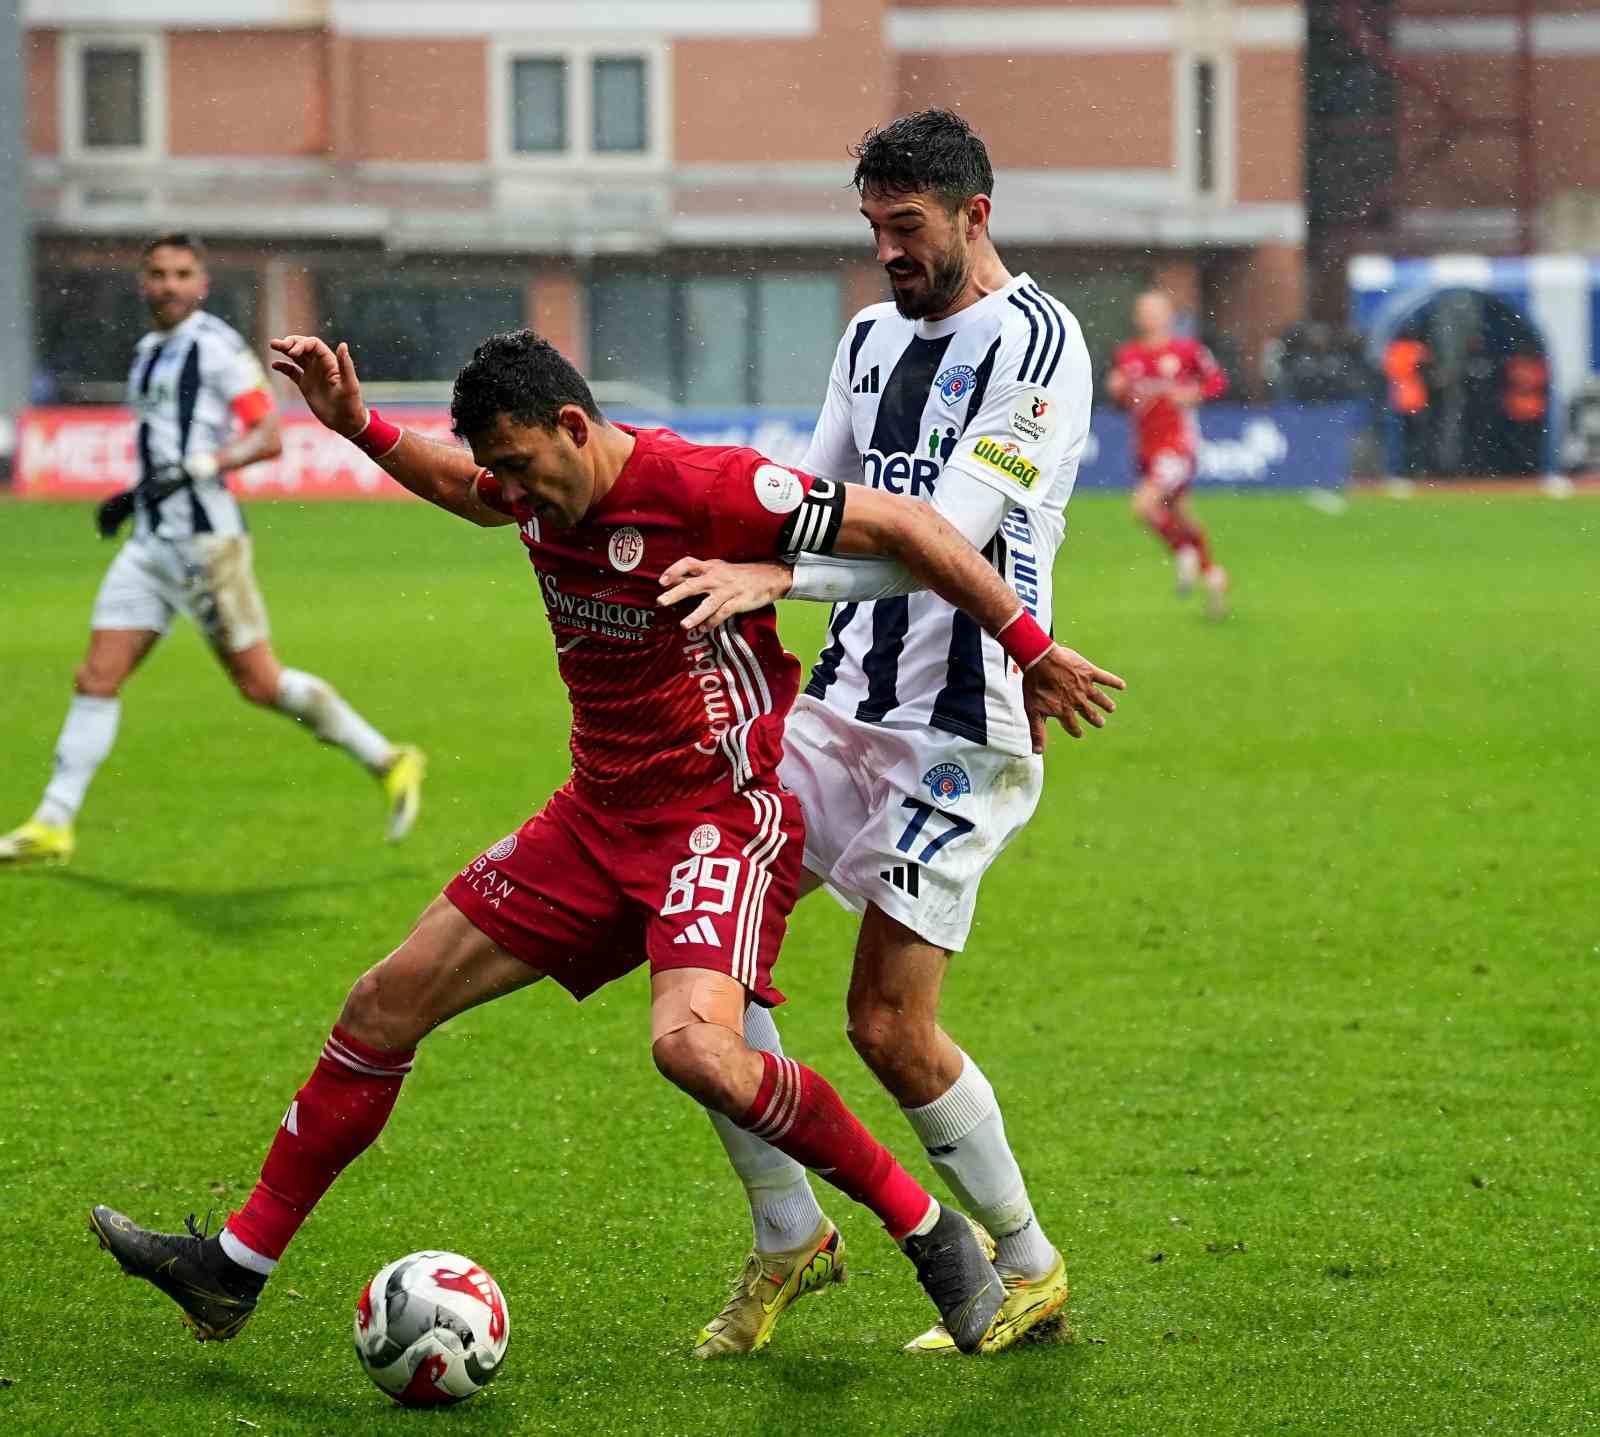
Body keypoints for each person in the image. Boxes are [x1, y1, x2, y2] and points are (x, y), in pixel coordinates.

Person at [88, 328, 1125, 1367]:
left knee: (696, 1048)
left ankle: (933, 1236)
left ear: (574, 428)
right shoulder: (530, 486)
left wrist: (1027, 649)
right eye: (500, 474)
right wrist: (358, 423)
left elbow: (906, 522)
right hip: (592, 819)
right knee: (379, 1006)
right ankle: (234, 1269)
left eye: (523, 469)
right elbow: (463, 485)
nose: (512, 496)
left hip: (716, 819)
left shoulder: (706, 484)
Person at [651, 108, 1109, 1358]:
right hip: (833, 713)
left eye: (905, 230)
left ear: (975, 215)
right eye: (871, 228)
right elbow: (816, 502)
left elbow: (936, 539)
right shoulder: (864, 338)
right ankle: (788, 1233)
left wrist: (781, 584)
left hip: (962, 727)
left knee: (884, 1025)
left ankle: (1026, 1266)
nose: (885, 255)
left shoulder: (1041, 348)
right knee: (706, 968)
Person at [0, 233, 422, 865]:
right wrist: (135, 494)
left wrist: (198, 467)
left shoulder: (217, 349)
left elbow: (268, 436)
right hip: (151, 545)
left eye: (181, 274)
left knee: (259, 683)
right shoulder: (148, 352)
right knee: (96, 676)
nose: (168, 284)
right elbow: (164, 447)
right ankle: (54, 823)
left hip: (205, 545)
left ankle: (388, 758)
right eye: (158, 273)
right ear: (143, 283)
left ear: (201, 285)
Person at [1106, 290, 1229, 615]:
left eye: (1156, 310)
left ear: (1169, 315)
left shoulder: (1187, 351)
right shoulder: (1128, 354)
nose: (1150, 317)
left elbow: (1218, 381)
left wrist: (1195, 393)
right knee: (1181, 515)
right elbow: (1123, 399)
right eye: (1144, 311)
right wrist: (1117, 390)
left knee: (1144, 507)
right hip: (1146, 447)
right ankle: (1213, 576)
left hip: (1178, 446)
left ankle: (1184, 552)